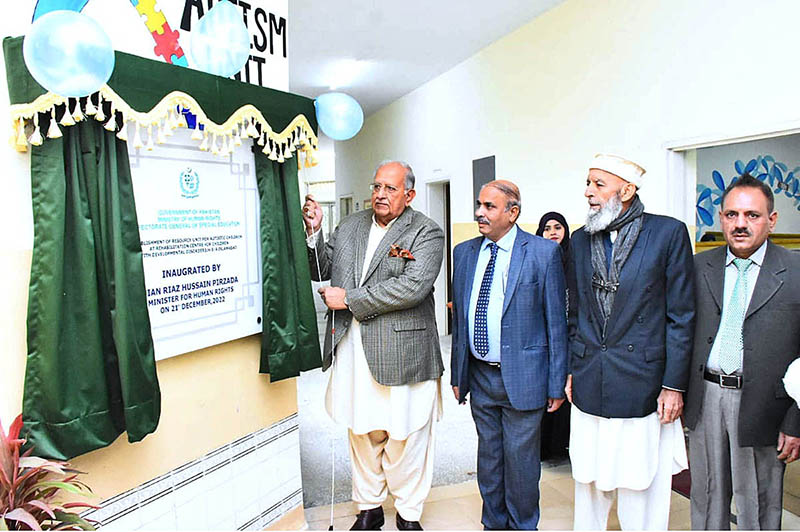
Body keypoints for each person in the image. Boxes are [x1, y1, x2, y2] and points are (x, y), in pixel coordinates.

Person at [302, 160, 445, 531]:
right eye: (377, 186)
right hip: (354, 351)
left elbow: (413, 287)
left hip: (405, 353)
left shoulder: (427, 233)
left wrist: (349, 299)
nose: (380, 194)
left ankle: (409, 512)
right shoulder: (350, 225)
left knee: (406, 433)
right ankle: (368, 507)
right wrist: (314, 232)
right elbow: (322, 268)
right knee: (361, 430)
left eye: (390, 189)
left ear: (409, 194)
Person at [566, 153, 695, 530]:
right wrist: (574, 368)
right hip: (591, 374)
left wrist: (673, 385)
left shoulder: (668, 233)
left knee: (641, 483)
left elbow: (681, 316)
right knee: (588, 480)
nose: (588, 192)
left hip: (644, 380)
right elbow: (575, 311)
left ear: (627, 189)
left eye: (597, 184)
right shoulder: (578, 239)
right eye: (587, 183)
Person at [684, 173, 800, 530]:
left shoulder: (795, 270)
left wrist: (796, 420)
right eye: (732, 215)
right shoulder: (699, 265)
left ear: (772, 220)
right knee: (705, 496)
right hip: (706, 399)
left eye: (752, 215)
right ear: (720, 218)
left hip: (766, 406)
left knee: (759, 504)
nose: (740, 224)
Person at [451, 180, 568, 530]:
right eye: (479, 205)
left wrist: (556, 383)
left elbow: (555, 324)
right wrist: (459, 375)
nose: (479, 213)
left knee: (520, 464)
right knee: (489, 460)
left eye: (489, 206)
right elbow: (461, 318)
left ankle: (523, 525)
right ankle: (493, 524)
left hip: (524, 376)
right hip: (479, 374)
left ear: (512, 212)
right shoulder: (465, 252)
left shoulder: (542, 253)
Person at [536, 211, 575, 462]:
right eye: (547, 228)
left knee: (566, 388)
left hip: (570, 334)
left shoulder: (574, 261)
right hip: (542, 337)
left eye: (558, 227)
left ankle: (562, 446)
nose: (552, 232)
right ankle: (544, 448)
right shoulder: (536, 259)